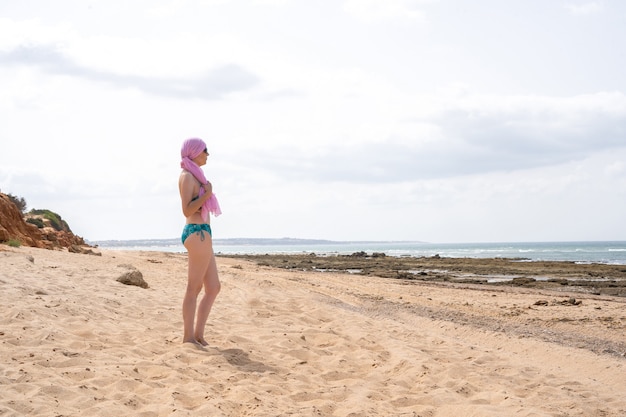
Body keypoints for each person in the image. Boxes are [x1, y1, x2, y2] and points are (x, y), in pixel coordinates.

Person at [178, 138, 222, 346]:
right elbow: (186, 209)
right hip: (196, 233)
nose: (207, 154)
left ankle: (198, 335)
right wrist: (208, 195)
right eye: (205, 150)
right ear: (194, 152)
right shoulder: (187, 177)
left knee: (213, 287)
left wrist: (206, 192)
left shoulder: (197, 177)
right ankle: (188, 338)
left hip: (204, 233)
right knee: (193, 288)